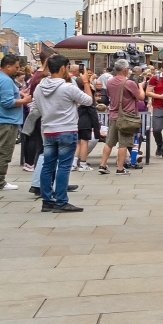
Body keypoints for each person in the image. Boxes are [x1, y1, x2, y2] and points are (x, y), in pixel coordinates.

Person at [33, 55, 93, 212]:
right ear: (61, 68)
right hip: (66, 129)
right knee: (64, 166)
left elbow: (36, 108)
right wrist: (85, 82)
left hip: (48, 130)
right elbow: (88, 100)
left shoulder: (40, 87)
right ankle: (61, 201)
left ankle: (47, 200)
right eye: (67, 67)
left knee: (48, 166)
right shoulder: (68, 87)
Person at [0, 55, 31, 190]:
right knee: (4, 152)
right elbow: (7, 102)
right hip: (6, 120)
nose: (17, 70)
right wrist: (24, 101)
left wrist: (19, 93)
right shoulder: (6, 80)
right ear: (8, 66)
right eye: (16, 67)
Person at [99, 59, 141, 175]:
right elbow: (140, 97)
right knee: (123, 144)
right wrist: (141, 87)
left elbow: (109, 95)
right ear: (125, 69)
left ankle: (102, 165)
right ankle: (120, 168)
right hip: (126, 117)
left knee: (109, 142)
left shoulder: (110, 82)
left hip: (113, 115)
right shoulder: (129, 83)